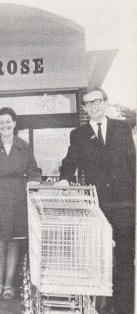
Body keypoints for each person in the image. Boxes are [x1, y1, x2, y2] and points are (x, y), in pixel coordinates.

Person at [55, 87, 136, 314]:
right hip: (98, 207)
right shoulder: (78, 135)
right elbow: (70, 161)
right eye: (88, 103)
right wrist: (63, 179)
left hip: (124, 204)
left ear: (105, 102)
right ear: (84, 108)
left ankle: (124, 307)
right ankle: (103, 305)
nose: (93, 106)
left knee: (124, 256)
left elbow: (133, 162)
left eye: (97, 101)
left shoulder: (122, 128)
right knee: (100, 256)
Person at [0, 107, 41, 299]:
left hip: (17, 198)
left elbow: (34, 170)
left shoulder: (24, 146)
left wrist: (34, 180)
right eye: (1, 122)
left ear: (14, 123)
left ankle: (10, 284)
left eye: (8, 121)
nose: (5, 125)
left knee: (13, 241)